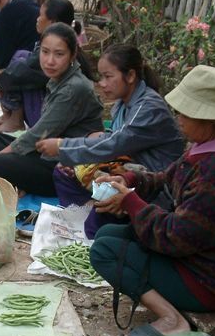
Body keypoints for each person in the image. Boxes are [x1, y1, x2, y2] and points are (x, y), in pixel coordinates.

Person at [88, 65, 215, 336]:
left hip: (210, 281)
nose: (178, 118)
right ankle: (169, 311)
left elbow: (177, 236)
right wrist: (130, 178)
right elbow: (167, 176)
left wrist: (132, 202)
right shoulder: (205, 148)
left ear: (210, 119)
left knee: (104, 251)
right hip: (198, 260)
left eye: (184, 112)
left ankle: (171, 320)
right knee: (108, 236)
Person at [36, 44, 185, 236]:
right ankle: (87, 213)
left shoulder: (149, 108)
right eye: (101, 77)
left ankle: (101, 220)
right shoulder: (122, 105)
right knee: (64, 172)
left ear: (130, 76)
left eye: (108, 77)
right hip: (127, 171)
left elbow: (113, 144)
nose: (102, 84)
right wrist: (73, 156)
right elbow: (111, 141)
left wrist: (62, 146)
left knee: (97, 226)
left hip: (151, 185)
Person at [0, 23, 103, 196]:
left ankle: (4, 182)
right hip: (45, 153)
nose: (50, 61)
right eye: (45, 52)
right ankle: (12, 184)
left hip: (65, 168)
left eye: (59, 54)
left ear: (73, 55)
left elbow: (38, 134)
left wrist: (0, 157)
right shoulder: (57, 78)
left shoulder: (73, 88)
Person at [0, 0, 94, 133]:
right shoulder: (64, 41)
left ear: (52, 22)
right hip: (57, 110)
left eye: (40, 16)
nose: (37, 19)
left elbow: (21, 73)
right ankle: (10, 116)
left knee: (19, 72)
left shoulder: (58, 53)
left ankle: (15, 120)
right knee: (21, 57)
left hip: (56, 119)